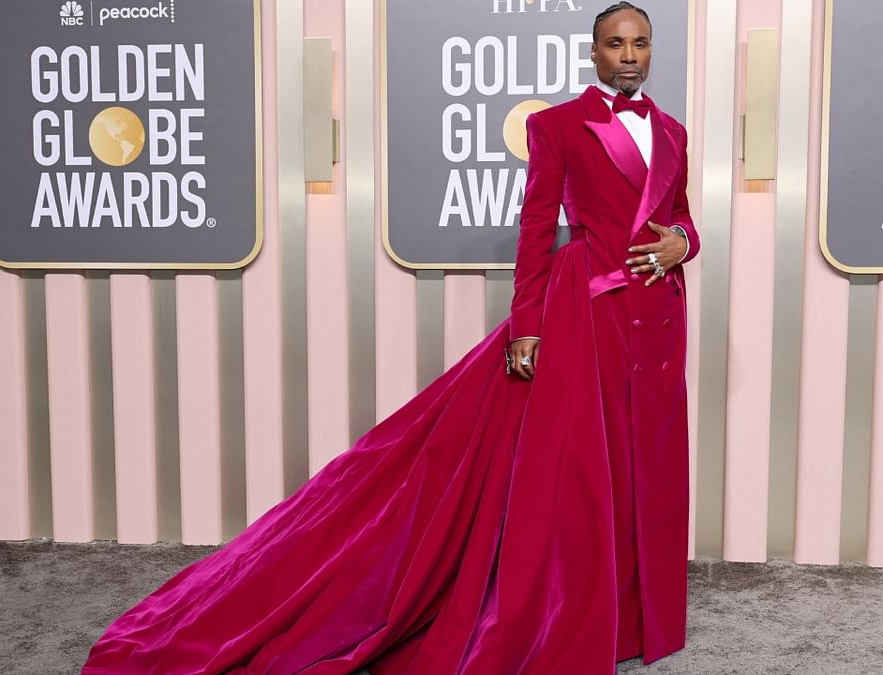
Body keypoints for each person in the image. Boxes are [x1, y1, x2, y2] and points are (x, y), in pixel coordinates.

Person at [83, 2, 700, 673]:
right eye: (616, 44)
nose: (630, 56)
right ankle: (583, 618)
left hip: (660, 321)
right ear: (594, 52)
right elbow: (534, 232)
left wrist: (682, 245)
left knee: (650, 467)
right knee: (581, 474)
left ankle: (641, 617)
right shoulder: (556, 126)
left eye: (641, 43)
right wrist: (525, 326)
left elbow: (684, 221)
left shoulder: (672, 131)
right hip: (586, 312)